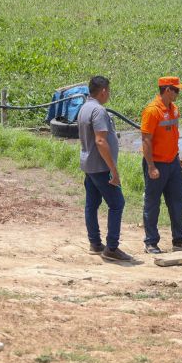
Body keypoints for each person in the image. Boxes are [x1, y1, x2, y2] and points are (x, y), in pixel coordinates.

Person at [77, 76, 132, 262]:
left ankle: (95, 243)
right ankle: (112, 247)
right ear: (103, 91)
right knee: (117, 204)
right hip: (100, 167)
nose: (108, 94)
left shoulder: (84, 108)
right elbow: (100, 141)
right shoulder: (99, 111)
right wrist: (113, 170)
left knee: (92, 204)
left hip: (88, 165)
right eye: (108, 90)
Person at [141, 76, 182, 254]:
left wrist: (176, 156)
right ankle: (151, 242)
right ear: (167, 90)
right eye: (176, 90)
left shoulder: (174, 110)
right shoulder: (151, 111)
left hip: (172, 164)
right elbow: (146, 140)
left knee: (176, 202)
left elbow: (173, 135)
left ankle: (179, 239)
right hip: (156, 164)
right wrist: (151, 167)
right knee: (152, 203)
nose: (178, 94)